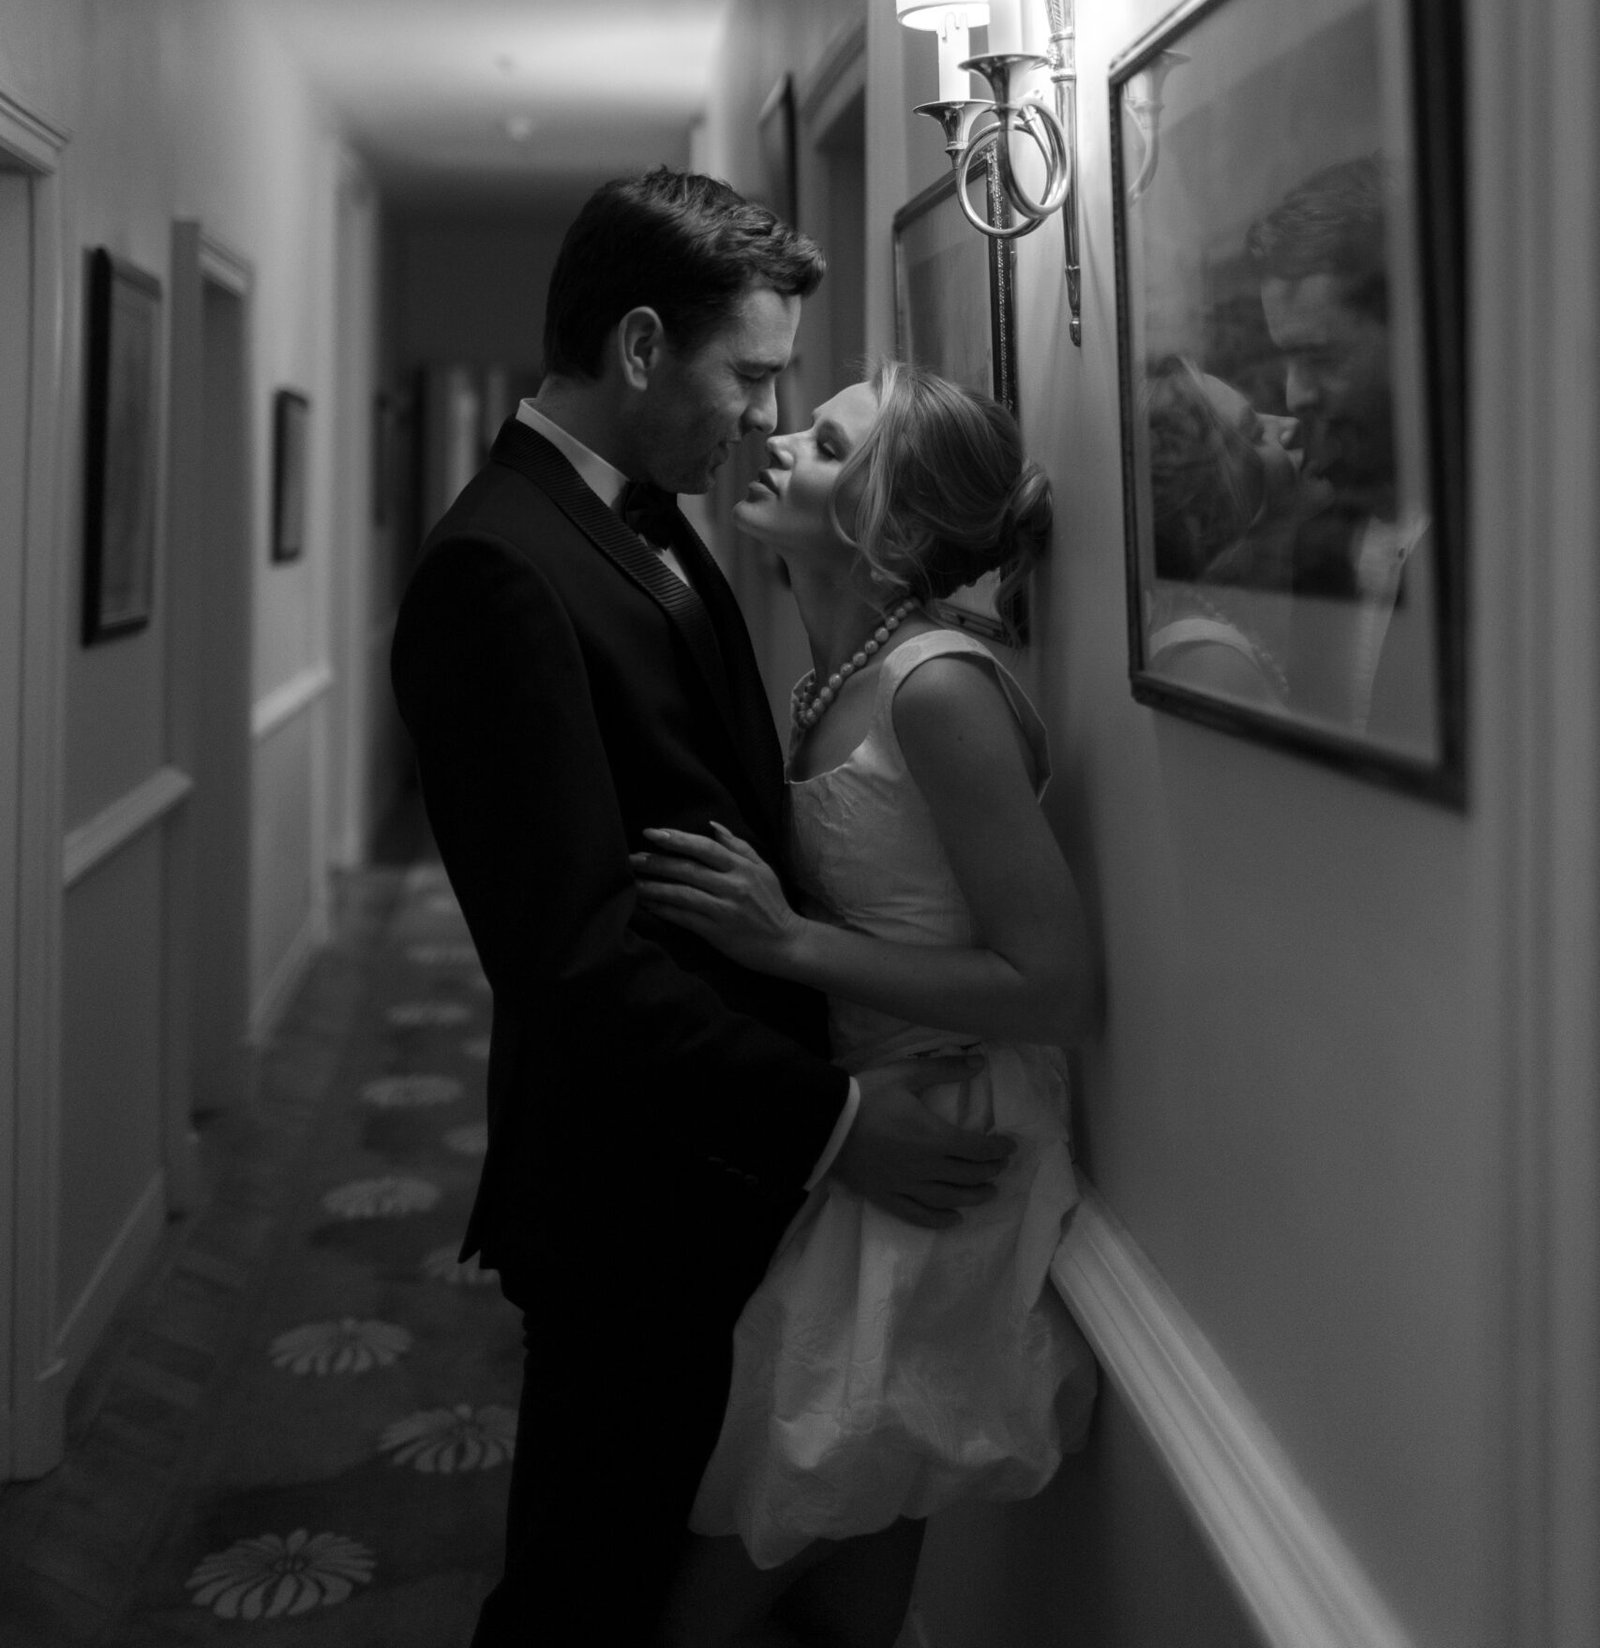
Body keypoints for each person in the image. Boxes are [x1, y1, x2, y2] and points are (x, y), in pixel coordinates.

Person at [390, 173, 1012, 1647]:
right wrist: (841, 1129)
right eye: (749, 374)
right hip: (634, 1184)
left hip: (726, 1170)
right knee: (584, 1594)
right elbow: (572, 957)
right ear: (643, 345)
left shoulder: (648, 522)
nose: (758, 412)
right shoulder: (499, 564)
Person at [634, 362, 1097, 1648]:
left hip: (949, 1144)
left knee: (765, 1522)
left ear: (887, 527)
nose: (775, 444)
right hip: (879, 1128)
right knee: (849, 1547)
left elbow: (1053, 984)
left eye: (824, 443)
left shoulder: (934, 687)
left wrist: (790, 948)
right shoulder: (840, 670)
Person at [1246, 156, 1435, 746]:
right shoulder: (1320, 538)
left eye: (1324, 358)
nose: (1296, 395)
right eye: (1287, 359)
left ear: (1416, 333)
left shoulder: (1522, 540)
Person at [1141, 352, 1306, 706]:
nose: (1289, 427)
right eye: (1257, 433)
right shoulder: (1210, 662)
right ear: (1211, 497)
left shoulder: (1233, 611)